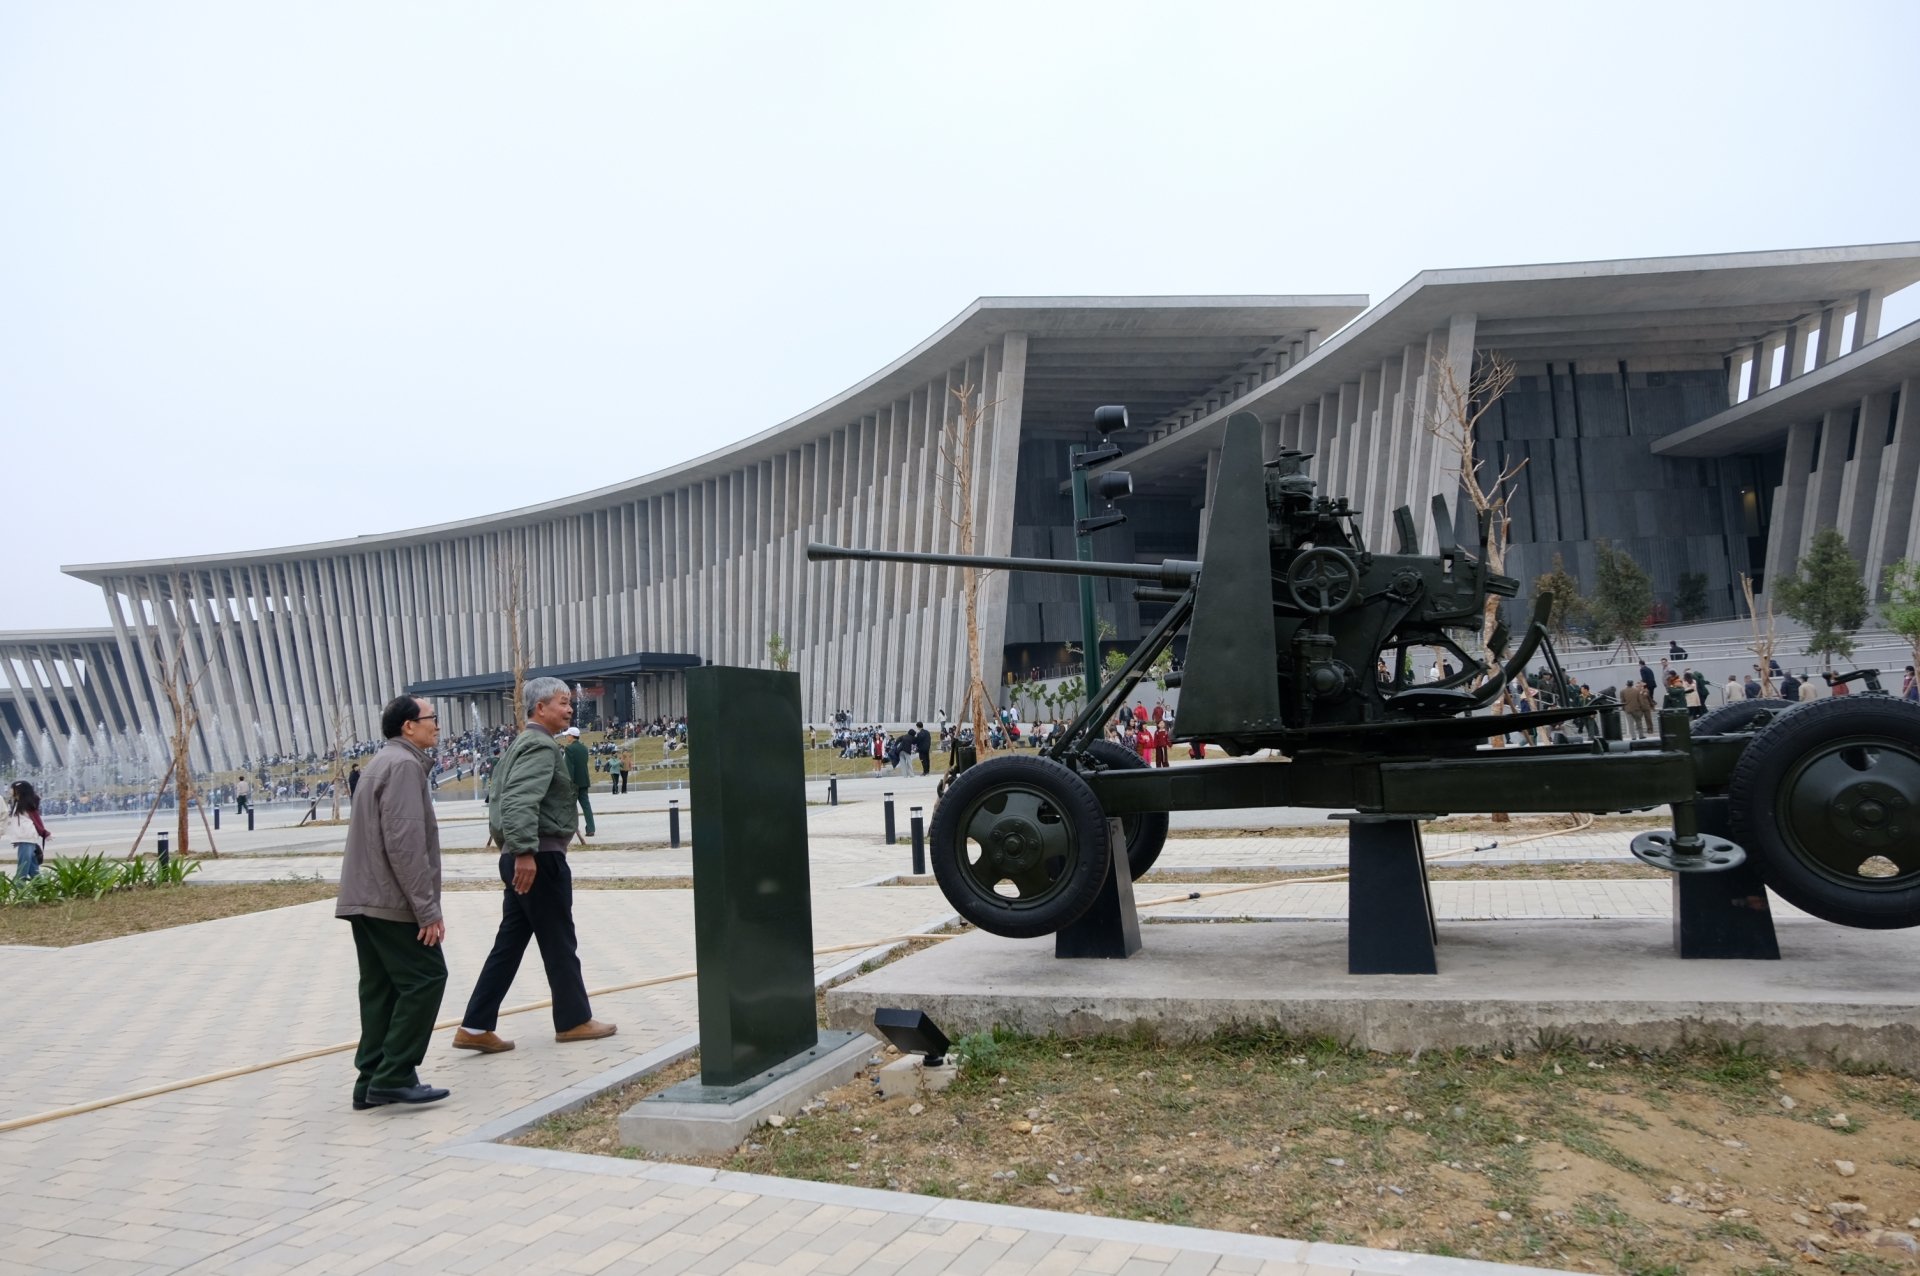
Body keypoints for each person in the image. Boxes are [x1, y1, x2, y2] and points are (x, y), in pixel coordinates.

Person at [455, 678, 615, 1052]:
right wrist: (525, 852)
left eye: (570, 702)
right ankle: (574, 1020)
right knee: (559, 940)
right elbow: (517, 802)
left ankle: (475, 1027)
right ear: (539, 708)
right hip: (537, 860)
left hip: (523, 856)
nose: (570, 709)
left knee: (509, 943)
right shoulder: (540, 747)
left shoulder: (522, 744)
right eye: (563, 702)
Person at [336, 695, 450, 1110]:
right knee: (426, 978)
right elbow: (405, 845)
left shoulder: (381, 763)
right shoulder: (402, 766)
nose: (436, 725)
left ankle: (370, 1080)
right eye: (431, 718)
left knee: (382, 989)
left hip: (365, 897)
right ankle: (395, 1074)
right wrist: (427, 909)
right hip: (390, 900)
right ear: (408, 726)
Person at [7, 781, 50, 879]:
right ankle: (42, 888)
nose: (10, 790)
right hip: (24, 838)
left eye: (12, 788)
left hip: (26, 838)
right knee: (33, 868)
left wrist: (44, 833)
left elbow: (36, 820)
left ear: (18, 790)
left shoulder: (27, 805)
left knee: (23, 866)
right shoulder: (18, 803)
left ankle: (19, 889)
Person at [562, 726, 595, 838]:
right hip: (584, 780)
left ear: (571, 736)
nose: (566, 737)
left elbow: (570, 768)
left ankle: (567, 829)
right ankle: (591, 828)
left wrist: (569, 783)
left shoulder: (569, 749)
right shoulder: (584, 748)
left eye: (567, 735)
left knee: (569, 807)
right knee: (586, 806)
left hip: (574, 783)